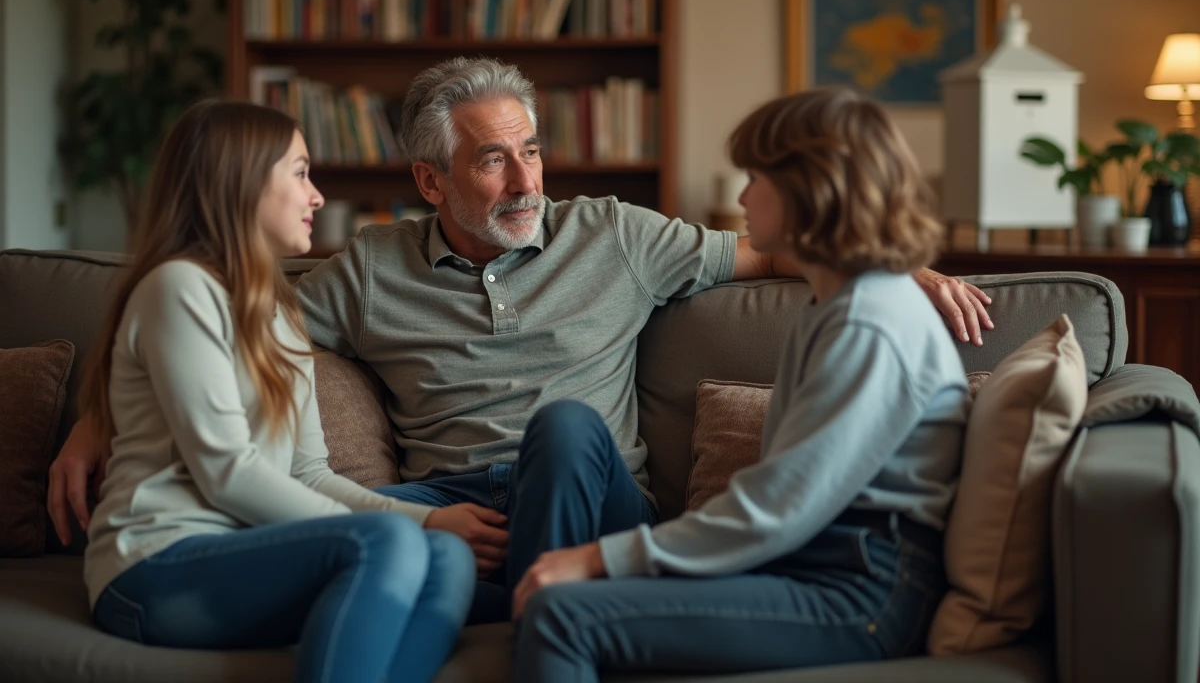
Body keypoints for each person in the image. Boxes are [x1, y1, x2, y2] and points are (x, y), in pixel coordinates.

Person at [50, 58, 993, 626]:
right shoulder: (371, 268)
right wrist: (98, 415)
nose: (524, 179)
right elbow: (216, 328)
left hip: (586, 491)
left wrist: (901, 268)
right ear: (431, 180)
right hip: (448, 497)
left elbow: (786, 240)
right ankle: (461, 595)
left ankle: (518, 615)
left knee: (569, 424)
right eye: (492, 158)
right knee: (383, 525)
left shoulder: (619, 235)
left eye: (531, 149)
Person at [508, 87, 970, 681]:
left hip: (862, 592)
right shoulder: (838, 306)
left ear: (812, 187)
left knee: (561, 617)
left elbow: (779, 506)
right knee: (562, 604)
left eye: (756, 177)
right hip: (814, 567)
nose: (743, 195)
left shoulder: (869, 319)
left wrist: (600, 559)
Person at [75, 100, 476, 683]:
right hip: (152, 567)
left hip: (248, 558)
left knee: (446, 559)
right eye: (300, 173)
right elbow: (227, 472)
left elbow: (310, 473)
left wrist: (426, 525)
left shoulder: (282, 313)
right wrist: (384, 532)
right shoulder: (180, 287)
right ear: (239, 182)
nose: (317, 196)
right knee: (385, 547)